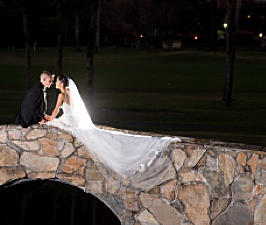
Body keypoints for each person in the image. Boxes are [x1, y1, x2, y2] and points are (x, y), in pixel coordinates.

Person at [45, 75, 177, 177]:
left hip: (71, 123)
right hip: (73, 121)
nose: (55, 83)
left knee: (53, 124)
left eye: (57, 81)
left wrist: (50, 119)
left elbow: (56, 110)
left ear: (62, 83)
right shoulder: (70, 93)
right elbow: (71, 111)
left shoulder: (62, 95)